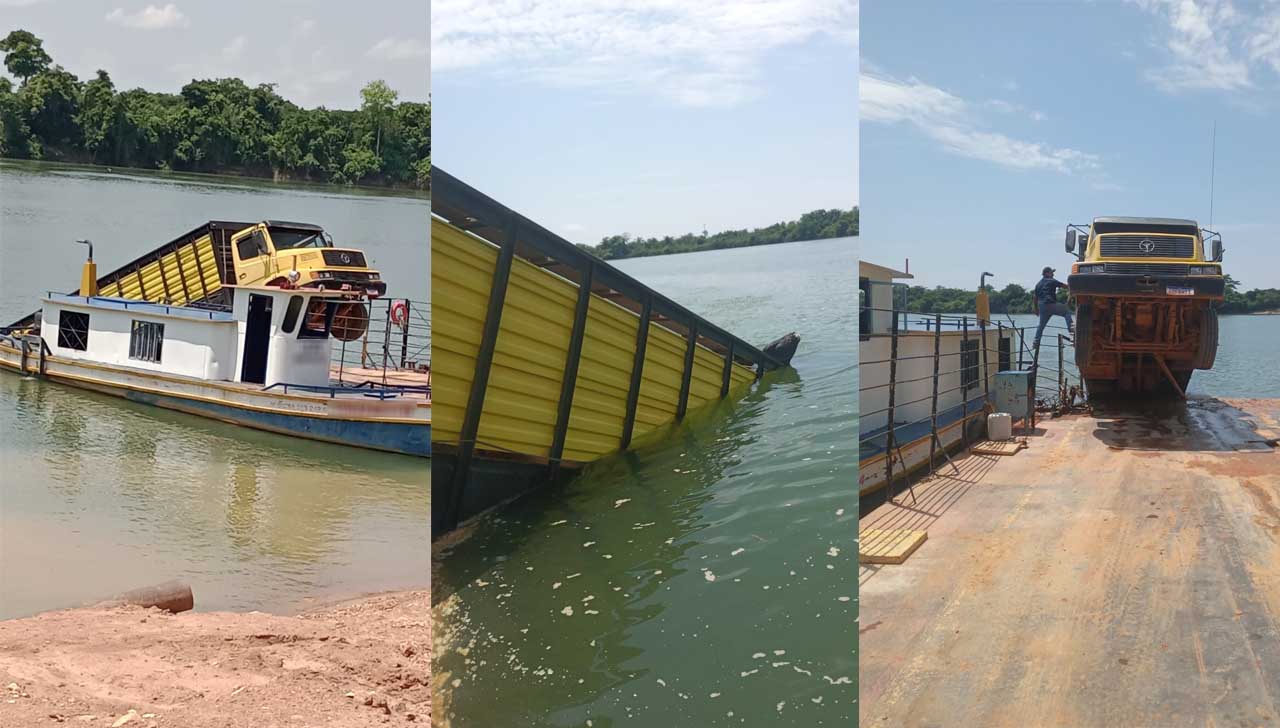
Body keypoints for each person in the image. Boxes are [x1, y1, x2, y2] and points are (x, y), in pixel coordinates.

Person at [1033, 266, 1073, 348]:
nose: (1053, 274)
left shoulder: (1038, 284)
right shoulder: (1052, 281)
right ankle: (1073, 335)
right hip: (1050, 304)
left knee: (1041, 325)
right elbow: (1066, 286)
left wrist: (1036, 310)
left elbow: (1035, 298)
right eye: (1052, 272)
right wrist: (1074, 286)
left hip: (1042, 307)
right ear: (1047, 273)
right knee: (1066, 312)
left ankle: (1036, 342)